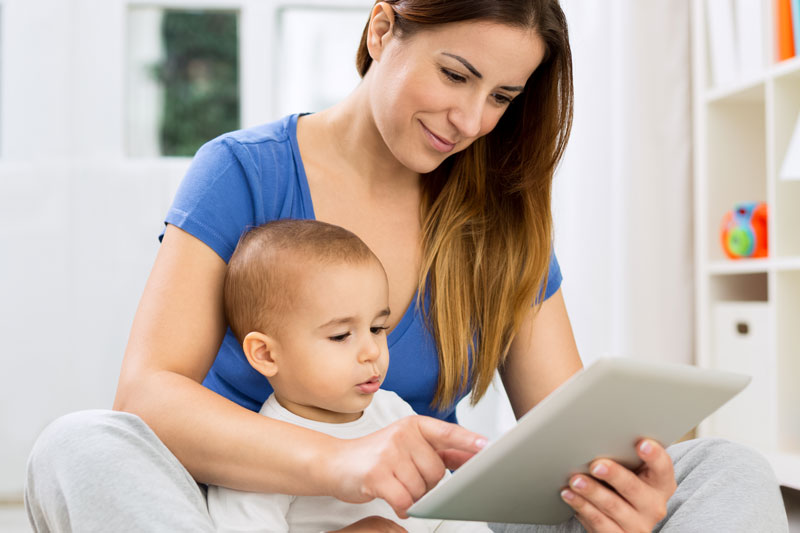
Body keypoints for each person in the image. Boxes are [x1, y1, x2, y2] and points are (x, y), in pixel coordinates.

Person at [25, 1, 789, 532]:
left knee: (726, 468)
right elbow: (149, 393)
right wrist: (340, 463)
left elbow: (566, 437)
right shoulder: (242, 171)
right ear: (383, 27)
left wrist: (619, 494)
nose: (472, 121)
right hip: (238, 507)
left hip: (415, 520)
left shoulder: (500, 213)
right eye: (455, 75)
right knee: (82, 444)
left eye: (502, 97)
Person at [207, 218, 491, 532]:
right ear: (266, 354)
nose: (372, 350)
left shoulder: (393, 413)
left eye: (377, 328)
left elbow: (446, 516)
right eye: (341, 335)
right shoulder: (260, 455)